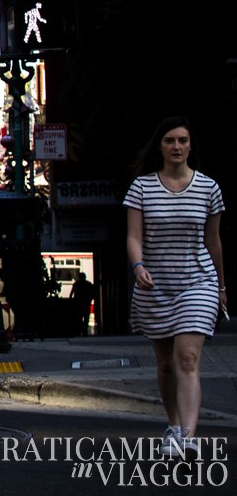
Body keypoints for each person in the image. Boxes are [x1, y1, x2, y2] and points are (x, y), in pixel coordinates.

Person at [124, 116, 226, 459]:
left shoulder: (209, 188)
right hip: (155, 286)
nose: (177, 146)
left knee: (187, 357)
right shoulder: (142, 187)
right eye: (170, 140)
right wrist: (138, 266)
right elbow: (134, 237)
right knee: (166, 364)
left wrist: (221, 287)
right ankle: (172, 423)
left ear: (190, 146)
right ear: (161, 146)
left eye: (182, 140)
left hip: (198, 282)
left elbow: (214, 242)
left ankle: (187, 437)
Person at [69, 271, 98, 336]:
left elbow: (71, 293)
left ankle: (80, 329)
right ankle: (85, 329)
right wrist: (90, 299)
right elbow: (93, 293)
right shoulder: (88, 284)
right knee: (86, 317)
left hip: (78, 303)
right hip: (86, 303)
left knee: (79, 317)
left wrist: (71, 301)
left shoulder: (76, 284)